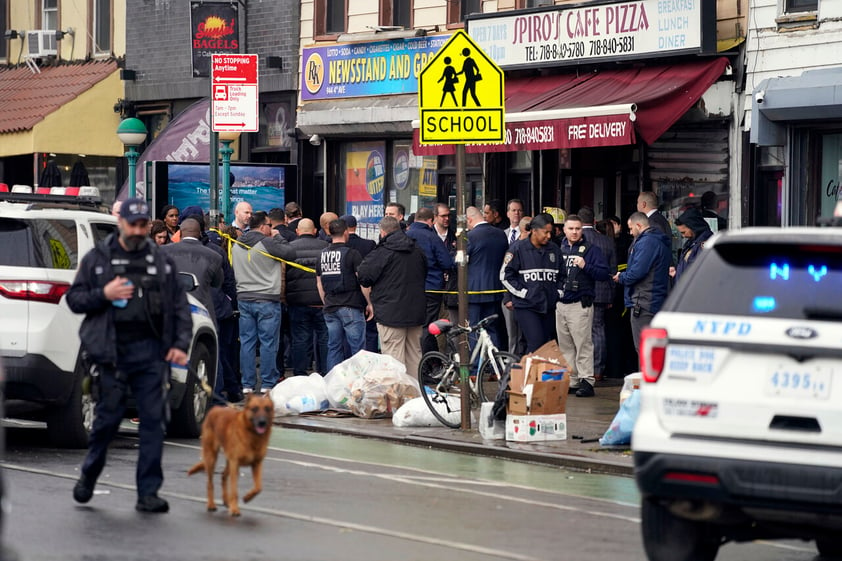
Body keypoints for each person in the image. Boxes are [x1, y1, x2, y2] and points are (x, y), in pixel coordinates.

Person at [67, 198, 192, 513]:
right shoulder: (99, 259)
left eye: (142, 225)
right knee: (106, 423)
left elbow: (180, 308)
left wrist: (179, 344)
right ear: (121, 223)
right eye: (132, 224)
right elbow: (75, 299)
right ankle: (89, 475)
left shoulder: (161, 263)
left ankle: (147, 492)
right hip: (111, 353)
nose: (137, 230)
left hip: (150, 353)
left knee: (153, 422)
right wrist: (104, 294)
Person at [231, 211, 296, 394]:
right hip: (267, 299)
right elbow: (291, 253)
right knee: (268, 343)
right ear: (262, 227)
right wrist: (279, 238)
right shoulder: (267, 242)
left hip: (244, 298)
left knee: (247, 342)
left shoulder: (236, 244)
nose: (272, 228)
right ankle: (268, 383)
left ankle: (247, 385)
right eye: (270, 225)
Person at [358, 216, 427, 377]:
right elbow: (425, 272)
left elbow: (364, 276)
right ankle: (415, 396)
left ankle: (398, 398)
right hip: (415, 311)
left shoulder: (383, 251)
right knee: (414, 355)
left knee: (393, 359)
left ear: (382, 232)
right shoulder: (416, 249)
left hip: (390, 312)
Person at [556, 215, 610, 398]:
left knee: (583, 345)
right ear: (564, 229)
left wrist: (586, 266)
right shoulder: (559, 248)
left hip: (580, 304)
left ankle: (587, 380)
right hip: (561, 304)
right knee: (565, 346)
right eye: (570, 228)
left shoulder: (591, 250)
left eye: (577, 228)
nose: (574, 232)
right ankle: (572, 380)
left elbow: (604, 273)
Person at [316, 219, 373, 372]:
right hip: (350, 305)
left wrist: (326, 301)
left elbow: (319, 284)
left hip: (330, 306)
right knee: (358, 349)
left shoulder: (322, 255)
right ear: (346, 232)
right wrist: (369, 303)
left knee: (334, 347)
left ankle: (333, 385)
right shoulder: (352, 254)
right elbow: (362, 281)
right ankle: (358, 384)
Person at [500, 214, 562, 353]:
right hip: (526, 305)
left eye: (550, 232)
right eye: (545, 232)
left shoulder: (554, 249)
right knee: (536, 342)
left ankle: (536, 373)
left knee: (546, 344)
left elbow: (563, 276)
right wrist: (524, 293)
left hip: (548, 305)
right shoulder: (517, 249)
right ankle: (527, 374)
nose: (549, 236)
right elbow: (505, 276)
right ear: (534, 230)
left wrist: (558, 292)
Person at [613, 212, 672, 353]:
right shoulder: (658, 240)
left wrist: (621, 277)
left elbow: (637, 272)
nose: (630, 232)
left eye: (631, 228)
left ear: (639, 225)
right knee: (652, 349)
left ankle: (645, 376)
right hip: (654, 298)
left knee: (644, 349)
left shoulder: (647, 242)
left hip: (644, 301)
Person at [406, 207, 454, 354]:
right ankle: (429, 361)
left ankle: (424, 359)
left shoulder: (405, 235)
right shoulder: (431, 237)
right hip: (432, 287)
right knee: (428, 325)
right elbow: (447, 262)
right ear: (430, 220)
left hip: (409, 287)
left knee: (414, 324)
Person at [285, 218, 329, 376]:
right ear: (315, 231)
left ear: (297, 231)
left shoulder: (288, 249)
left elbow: (284, 276)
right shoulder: (326, 248)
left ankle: (300, 373)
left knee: (300, 339)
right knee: (325, 339)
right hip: (322, 302)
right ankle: (325, 372)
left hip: (298, 302)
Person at [577, 207, 616, 382]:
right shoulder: (607, 241)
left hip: (580, 292)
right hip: (601, 292)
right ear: (594, 221)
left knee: (580, 332)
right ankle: (598, 370)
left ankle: (582, 370)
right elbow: (613, 271)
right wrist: (611, 295)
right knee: (598, 330)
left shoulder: (577, 239)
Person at [160, 218, 223, 323]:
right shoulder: (214, 256)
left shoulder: (163, 252)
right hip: (202, 313)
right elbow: (217, 283)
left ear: (180, 233)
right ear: (199, 234)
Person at [465, 206, 508, 350]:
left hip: (474, 291)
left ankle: (476, 367)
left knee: (474, 329)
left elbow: (459, 262)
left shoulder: (470, 236)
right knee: (492, 328)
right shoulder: (501, 234)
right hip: (495, 289)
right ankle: (493, 363)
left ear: (469, 219)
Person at [340, 214, 378, 353]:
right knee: (370, 332)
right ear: (356, 227)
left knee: (347, 333)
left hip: (345, 296)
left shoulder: (337, 246)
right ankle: (371, 364)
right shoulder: (369, 244)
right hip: (366, 292)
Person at [672, 207, 714, 284]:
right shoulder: (691, 243)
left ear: (693, 227)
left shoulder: (705, 244)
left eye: (684, 232)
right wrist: (677, 271)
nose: (683, 236)